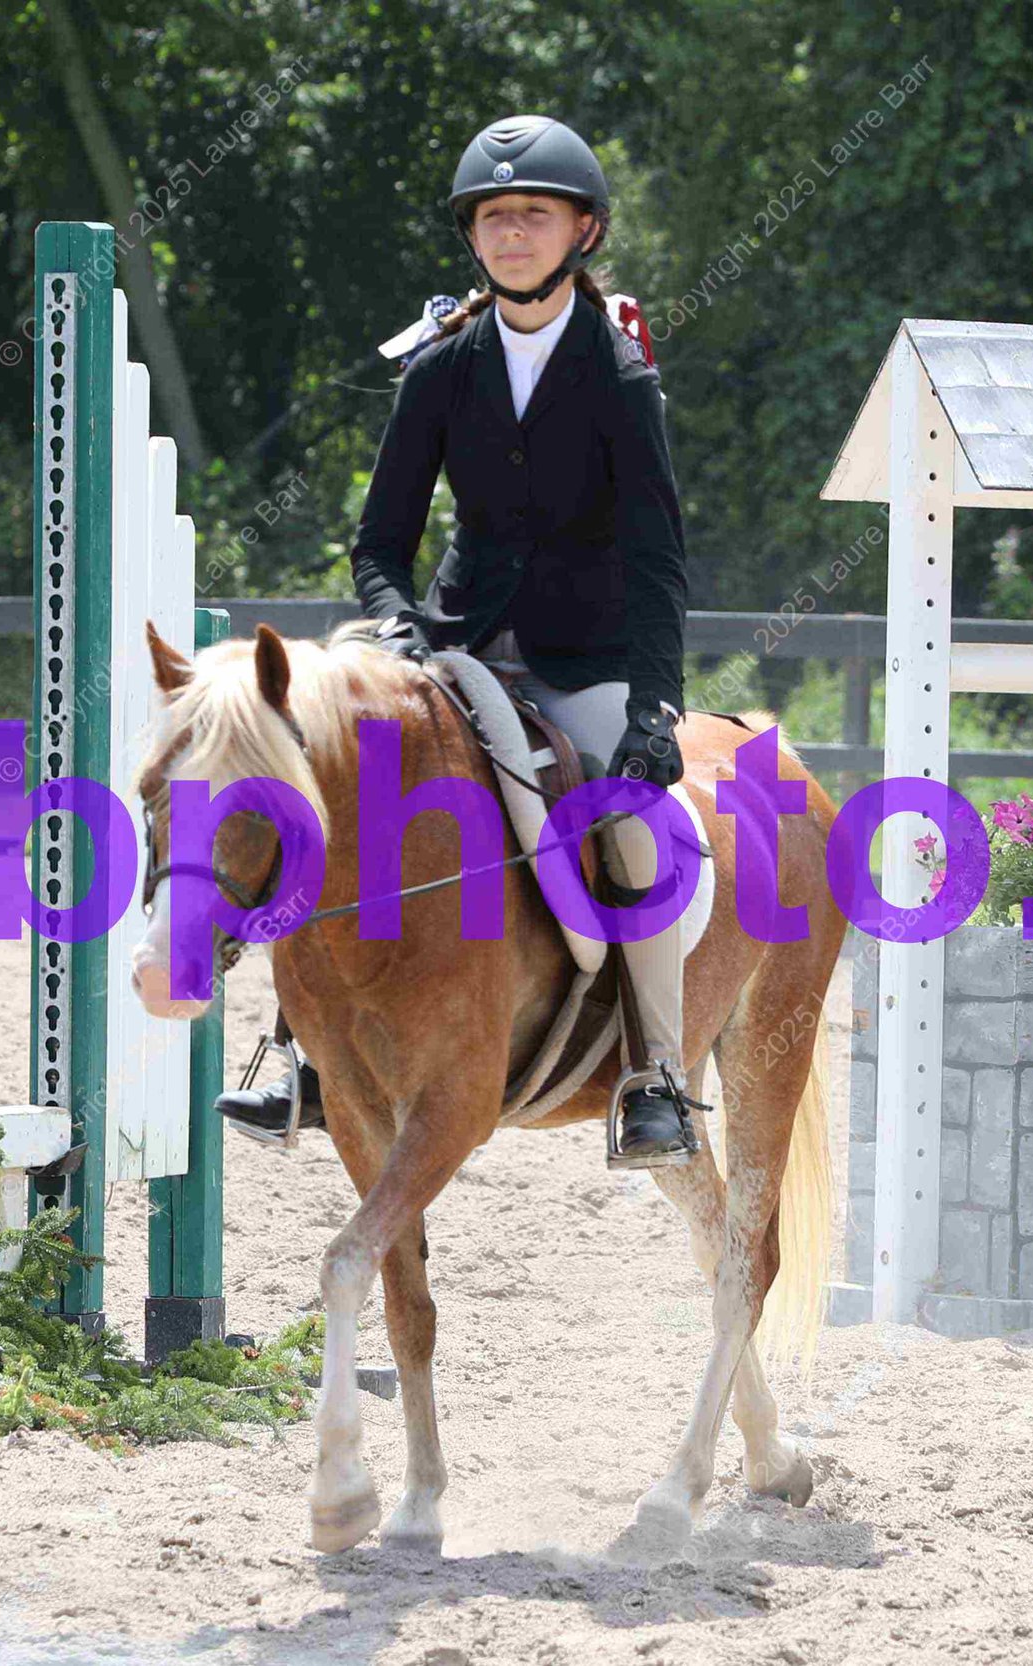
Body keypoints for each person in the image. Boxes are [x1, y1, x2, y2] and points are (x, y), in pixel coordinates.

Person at [214, 113, 696, 1166]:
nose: (511, 233)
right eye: (492, 217)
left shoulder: (620, 376)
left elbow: (658, 558)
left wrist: (654, 706)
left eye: (533, 215)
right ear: (471, 238)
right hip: (448, 643)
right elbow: (379, 541)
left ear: (584, 231)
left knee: (633, 826)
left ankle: (655, 1074)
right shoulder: (440, 369)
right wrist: (394, 623)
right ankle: (300, 1054)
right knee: (330, 775)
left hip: (582, 656)